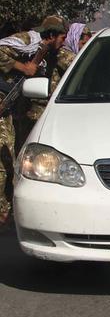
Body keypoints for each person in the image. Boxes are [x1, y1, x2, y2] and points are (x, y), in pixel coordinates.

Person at [0, 22, 66, 226]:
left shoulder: (46, 52)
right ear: (52, 34)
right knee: (4, 162)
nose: (63, 42)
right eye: (62, 37)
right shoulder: (28, 40)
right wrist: (23, 67)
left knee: (10, 160)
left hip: (11, 109)